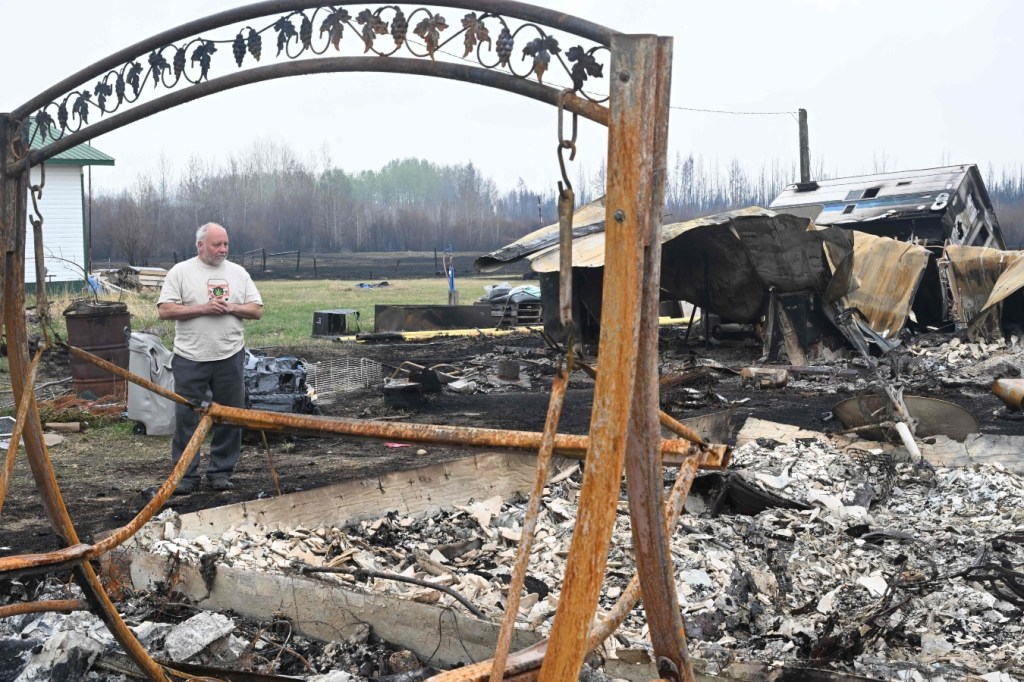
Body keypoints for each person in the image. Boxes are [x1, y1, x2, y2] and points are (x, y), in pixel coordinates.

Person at [158, 222, 263, 494]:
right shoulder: (181, 272)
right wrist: (203, 308)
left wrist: (232, 307)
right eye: (217, 244)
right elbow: (165, 310)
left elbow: (256, 310)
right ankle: (186, 476)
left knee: (230, 417)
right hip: (191, 357)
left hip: (229, 356)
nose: (223, 249)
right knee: (186, 418)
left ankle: (221, 473)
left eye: (226, 244)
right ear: (200, 245)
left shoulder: (238, 273)